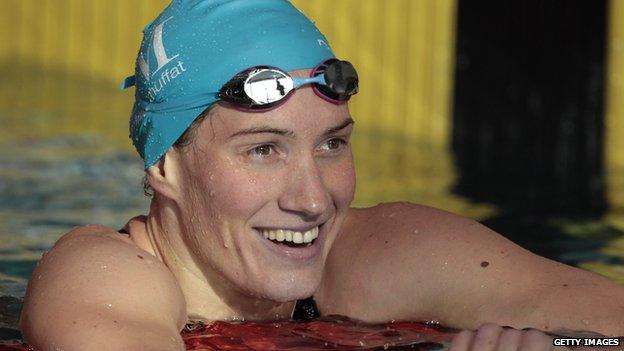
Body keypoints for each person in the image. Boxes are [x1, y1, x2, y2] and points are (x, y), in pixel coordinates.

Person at [19, 1, 624, 350]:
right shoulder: (100, 277)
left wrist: (569, 348)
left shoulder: (379, 254)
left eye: (332, 144)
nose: (313, 200)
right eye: (263, 150)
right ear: (165, 167)